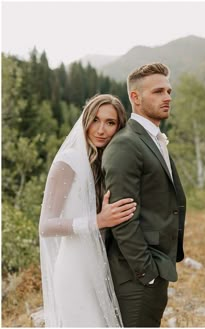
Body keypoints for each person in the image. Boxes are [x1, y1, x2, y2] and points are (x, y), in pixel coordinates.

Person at [39, 94, 137, 327]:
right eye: (95, 120)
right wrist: (98, 221)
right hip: (75, 269)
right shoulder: (68, 161)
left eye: (110, 123)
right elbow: (46, 226)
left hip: (102, 267)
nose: (101, 129)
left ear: (119, 127)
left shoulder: (105, 164)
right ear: (85, 121)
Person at [102, 63, 186, 327]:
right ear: (135, 98)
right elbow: (123, 218)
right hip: (136, 275)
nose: (167, 97)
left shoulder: (152, 138)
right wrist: (146, 273)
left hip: (156, 266)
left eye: (169, 91)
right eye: (158, 91)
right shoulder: (127, 144)